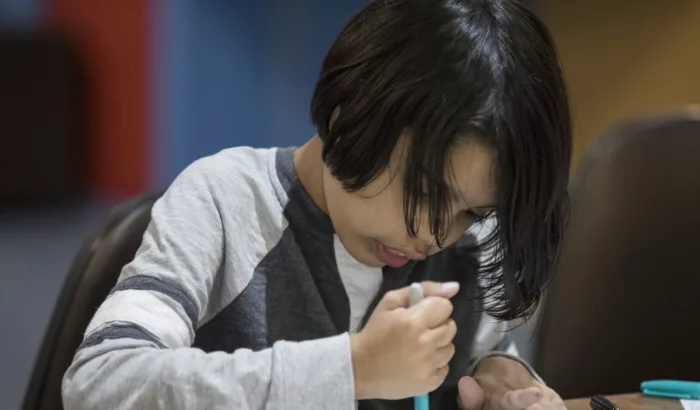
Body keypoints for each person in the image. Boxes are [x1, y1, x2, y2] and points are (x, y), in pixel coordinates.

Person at [62, 0, 572, 409]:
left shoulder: (466, 243)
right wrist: (353, 369)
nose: (435, 236)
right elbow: (101, 383)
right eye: (424, 193)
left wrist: (504, 377)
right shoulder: (225, 203)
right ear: (352, 115)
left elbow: (483, 352)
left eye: (472, 211)